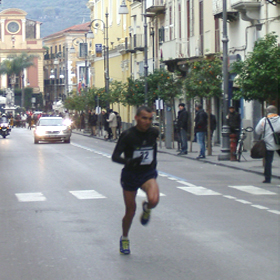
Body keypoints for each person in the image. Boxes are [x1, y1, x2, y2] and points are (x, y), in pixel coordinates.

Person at [112, 106, 160, 255]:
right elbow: (115, 156)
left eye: (150, 119)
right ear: (137, 118)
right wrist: (129, 161)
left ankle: (147, 208)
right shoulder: (128, 135)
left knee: (154, 200)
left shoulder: (154, 133)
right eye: (144, 118)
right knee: (130, 211)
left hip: (147, 173)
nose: (148, 122)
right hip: (130, 175)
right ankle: (125, 237)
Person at [255, 105, 280, 183]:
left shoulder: (264, 120)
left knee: (268, 161)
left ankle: (267, 178)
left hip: (268, 143)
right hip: (279, 142)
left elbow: (257, 131)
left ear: (267, 112)